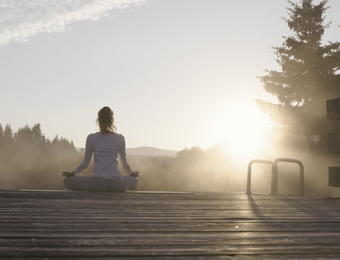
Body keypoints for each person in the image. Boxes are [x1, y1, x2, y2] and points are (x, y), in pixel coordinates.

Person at [63, 106, 139, 192]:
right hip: (117, 184)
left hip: (96, 184)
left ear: (98, 120)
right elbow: (123, 164)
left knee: (67, 181)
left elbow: (86, 163)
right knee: (135, 181)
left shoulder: (91, 138)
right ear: (112, 121)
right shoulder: (120, 138)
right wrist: (132, 174)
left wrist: (72, 173)